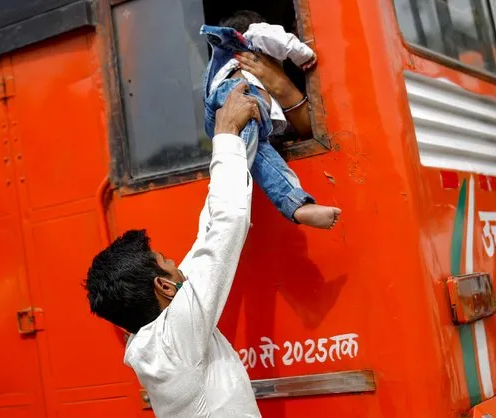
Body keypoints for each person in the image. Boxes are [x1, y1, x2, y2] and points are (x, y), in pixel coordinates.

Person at [85, 83, 262, 417]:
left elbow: (208, 236)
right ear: (165, 287)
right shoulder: (176, 339)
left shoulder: (154, 340)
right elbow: (229, 223)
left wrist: (231, 150)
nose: (180, 266)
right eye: (168, 265)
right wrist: (225, 133)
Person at [201, 11, 341, 230]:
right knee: (239, 157)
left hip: (225, 113)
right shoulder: (256, 35)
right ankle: (226, 206)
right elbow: (285, 42)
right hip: (239, 101)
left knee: (251, 153)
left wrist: (282, 87)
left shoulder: (215, 72)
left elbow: (320, 134)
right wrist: (305, 57)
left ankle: (222, 208)